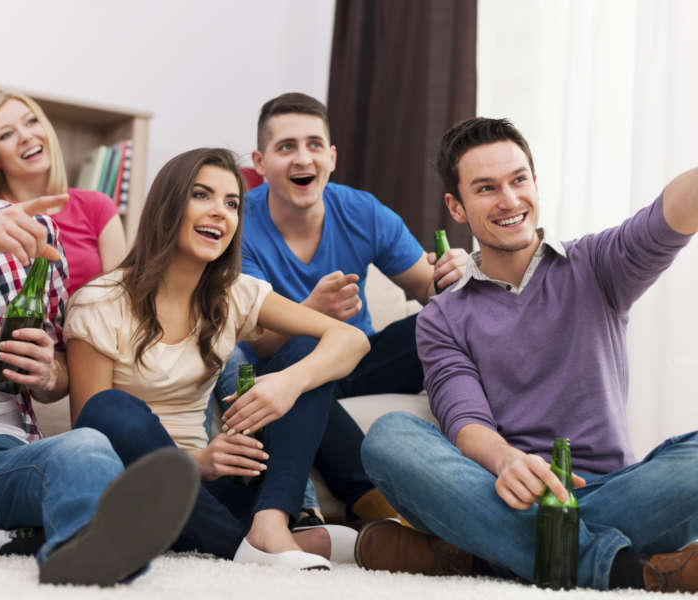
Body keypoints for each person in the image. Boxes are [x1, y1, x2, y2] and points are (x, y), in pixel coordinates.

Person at [359, 117, 698, 592]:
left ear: (535, 183)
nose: (509, 200)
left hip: (613, 491)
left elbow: (669, 216)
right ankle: (622, 570)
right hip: (506, 493)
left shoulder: (596, 264)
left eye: (518, 180)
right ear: (456, 207)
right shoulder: (443, 316)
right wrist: (505, 461)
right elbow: (464, 419)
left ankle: (484, 558)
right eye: (486, 188)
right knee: (389, 437)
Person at [0, 50, 200, 585]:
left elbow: (59, 377)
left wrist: (48, 372)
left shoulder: (30, 232)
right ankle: (1, 540)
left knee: (86, 448)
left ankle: (87, 545)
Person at [65, 147, 370, 569]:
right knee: (112, 408)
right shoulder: (100, 301)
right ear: (167, 205)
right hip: (133, 486)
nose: (219, 212)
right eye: (202, 195)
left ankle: (269, 525)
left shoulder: (234, 293)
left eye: (231, 204)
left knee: (305, 352)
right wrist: (199, 462)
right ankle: (243, 547)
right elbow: (90, 432)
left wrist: (287, 384)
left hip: (206, 493)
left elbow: (351, 339)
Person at [239, 92, 469, 523]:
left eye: (313, 145)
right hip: (282, 365)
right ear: (260, 162)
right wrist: (313, 312)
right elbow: (256, 343)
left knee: (446, 321)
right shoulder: (240, 225)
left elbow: (429, 289)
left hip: (358, 360)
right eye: (286, 147)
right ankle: (377, 508)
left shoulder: (362, 211)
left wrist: (452, 274)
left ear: (331, 157)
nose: (302, 158)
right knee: (305, 349)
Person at [0, 91, 126, 294]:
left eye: (31, 121)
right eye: (6, 134)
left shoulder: (97, 206)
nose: (26, 136)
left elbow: (119, 297)